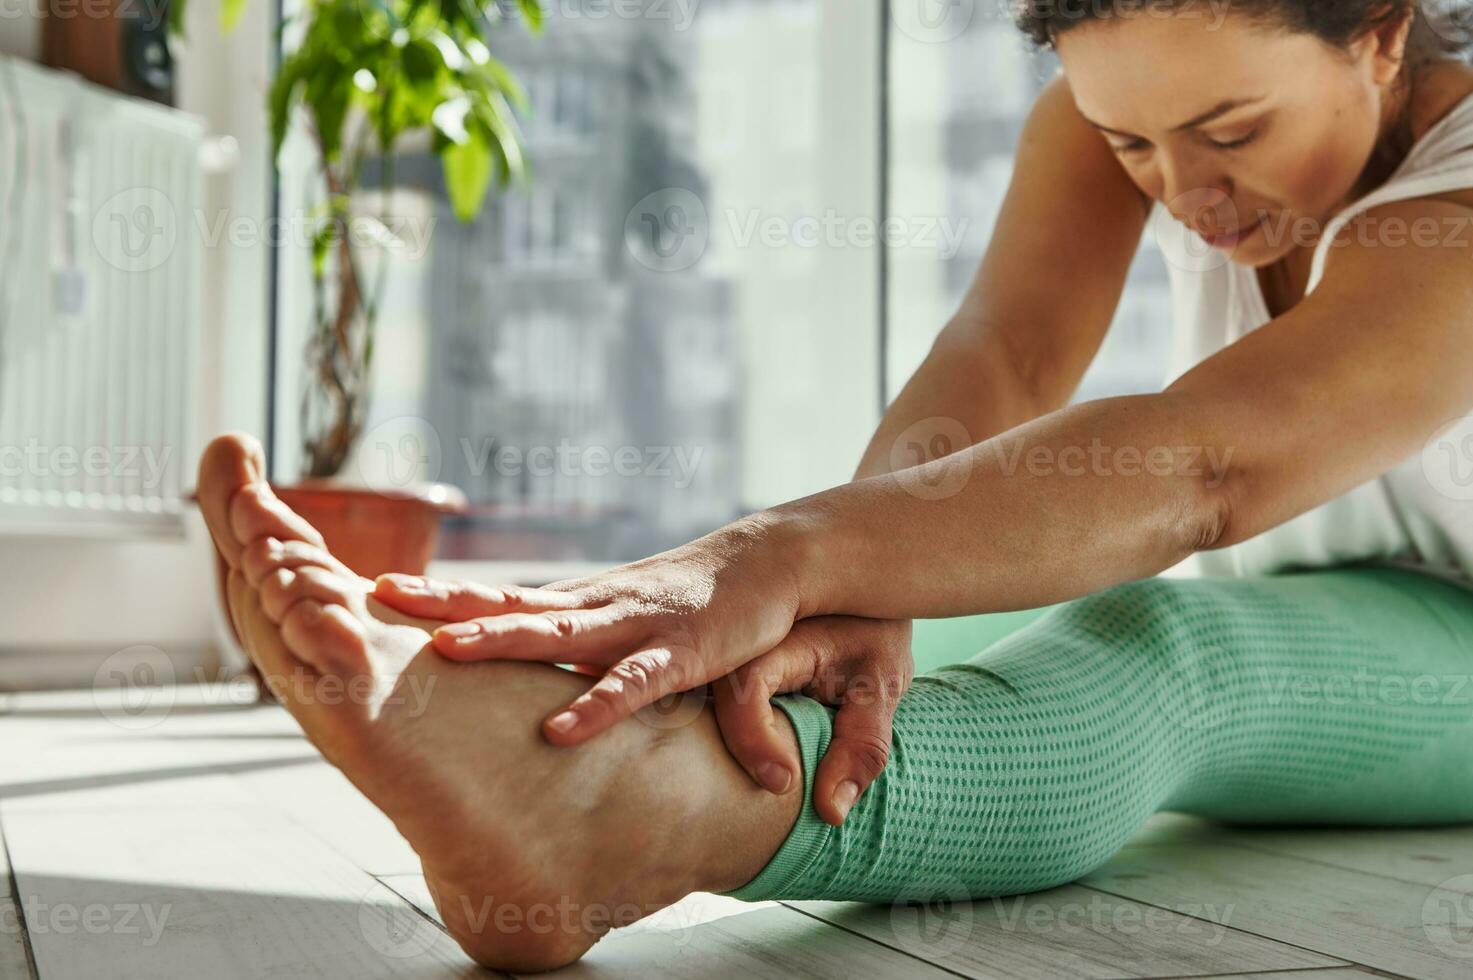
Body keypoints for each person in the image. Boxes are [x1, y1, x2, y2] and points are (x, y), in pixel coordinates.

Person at [199, 1, 1473, 971]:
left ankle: (643, 817)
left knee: (1164, 646)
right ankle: (554, 727)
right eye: (1129, 142)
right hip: (1332, 579)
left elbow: (1210, 465)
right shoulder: (1130, 102)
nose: (1184, 190)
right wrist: (861, 580)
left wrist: (803, 552)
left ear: (1381, 35)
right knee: (894, 572)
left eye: (1232, 134)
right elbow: (1006, 354)